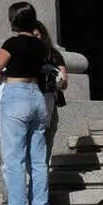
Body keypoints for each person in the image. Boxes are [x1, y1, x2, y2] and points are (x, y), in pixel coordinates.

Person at [0, 2, 52, 205]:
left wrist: (3, 73)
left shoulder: (11, 44)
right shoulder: (41, 45)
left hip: (16, 95)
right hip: (37, 96)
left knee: (14, 158)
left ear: (13, 20)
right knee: (39, 158)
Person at [34, 20, 68, 163]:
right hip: (27, 95)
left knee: (40, 133)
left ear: (43, 35)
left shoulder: (53, 55)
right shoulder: (25, 53)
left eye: (36, 35)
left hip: (46, 95)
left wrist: (55, 76)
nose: (34, 39)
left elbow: (64, 83)